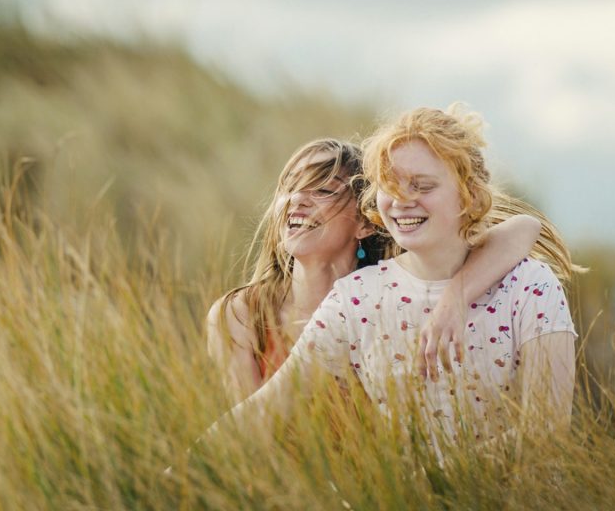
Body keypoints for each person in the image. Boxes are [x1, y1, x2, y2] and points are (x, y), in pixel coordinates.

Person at [203, 106, 579, 449]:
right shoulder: (354, 300)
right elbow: (258, 418)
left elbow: (546, 427)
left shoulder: (527, 285)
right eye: (392, 186)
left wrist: (456, 297)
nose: (402, 200)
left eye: (422, 185)